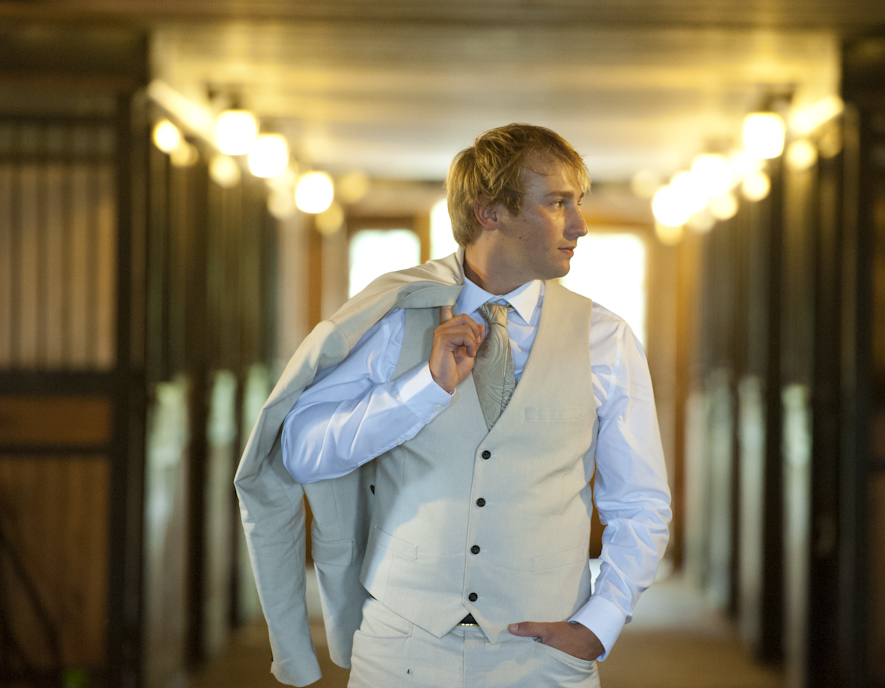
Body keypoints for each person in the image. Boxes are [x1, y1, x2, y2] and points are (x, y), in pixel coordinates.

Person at [235, 123, 670, 688]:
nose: (580, 225)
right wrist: (424, 389)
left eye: (577, 203)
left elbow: (640, 502)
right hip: (400, 648)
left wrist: (600, 623)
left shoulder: (605, 339)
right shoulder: (392, 316)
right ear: (490, 211)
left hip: (542, 657)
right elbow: (300, 452)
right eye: (558, 203)